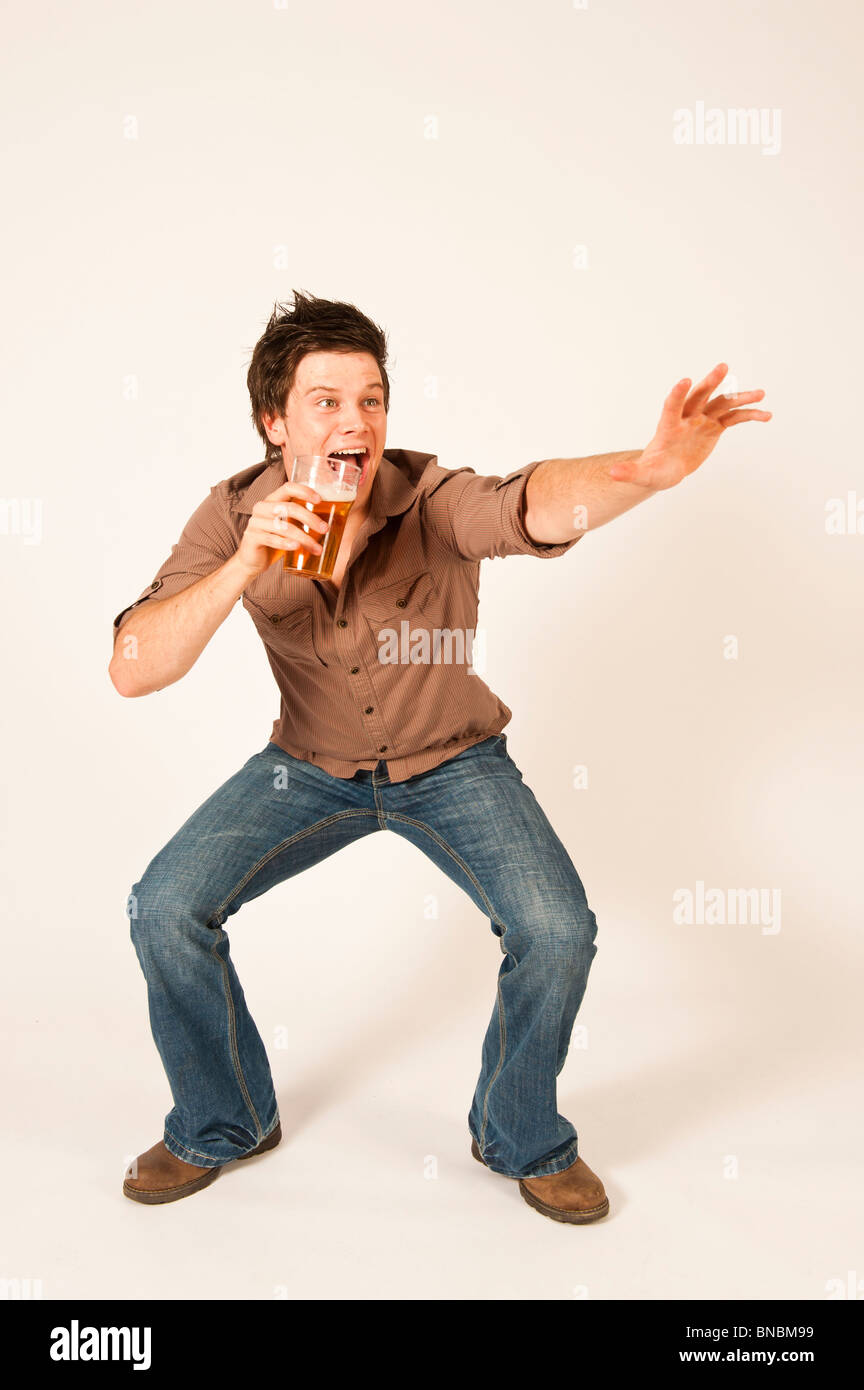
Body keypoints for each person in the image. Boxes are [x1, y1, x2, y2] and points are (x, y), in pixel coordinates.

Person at [110, 290, 771, 1220]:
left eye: (372, 399)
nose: (357, 421)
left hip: (455, 762)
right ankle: (226, 1120)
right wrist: (240, 568)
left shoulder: (428, 496)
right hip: (306, 766)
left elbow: (527, 507)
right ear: (274, 421)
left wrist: (647, 469)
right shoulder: (229, 518)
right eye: (328, 401)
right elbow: (135, 671)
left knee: (557, 932)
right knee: (164, 905)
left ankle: (518, 1133)